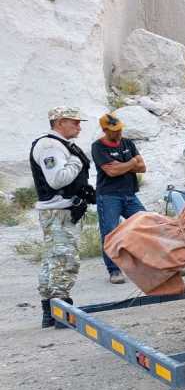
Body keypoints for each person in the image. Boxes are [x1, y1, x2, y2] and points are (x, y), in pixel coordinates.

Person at [29, 106, 94, 328]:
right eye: (74, 122)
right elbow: (57, 179)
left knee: (52, 260)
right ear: (59, 123)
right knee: (64, 259)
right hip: (59, 211)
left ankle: (50, 311)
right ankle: (60, 311)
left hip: (61, 210)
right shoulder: (50, 146)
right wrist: (76, 162)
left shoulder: (59, 145)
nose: (79, 126)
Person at [91, 113, 147, 285]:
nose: (119, 132)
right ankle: (114, 270)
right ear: (104, 130)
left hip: (130, 194)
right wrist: (131, 163)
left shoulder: (128, 142)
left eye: (120, 128)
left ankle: (155, 264)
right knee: (110, 233)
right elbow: (111, 171)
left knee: (147, 225)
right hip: (108, 196)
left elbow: (143, 167)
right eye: (115, 130)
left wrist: (122, 165)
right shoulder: (98, 147)